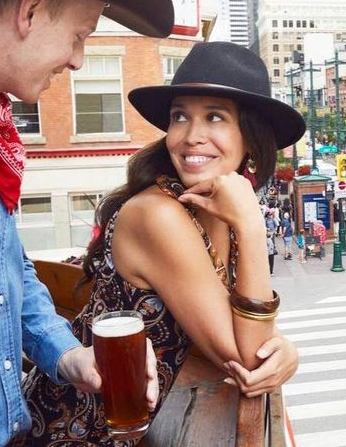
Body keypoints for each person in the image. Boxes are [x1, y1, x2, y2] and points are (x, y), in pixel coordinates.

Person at [20, 43, 303, 443]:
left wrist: (285, 352)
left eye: (215, 117)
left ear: (251, 140)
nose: (191, 136)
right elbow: (245, 357)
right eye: (180, 116)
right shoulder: (157, 215)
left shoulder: (217, 206)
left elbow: (237, 335)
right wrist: (252, 225)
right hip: (81, 432)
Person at [0, 0, 174, 443]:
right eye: (80, 36)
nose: (79, 60)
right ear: (31, 10)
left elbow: (6, 273)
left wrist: (68, 355)